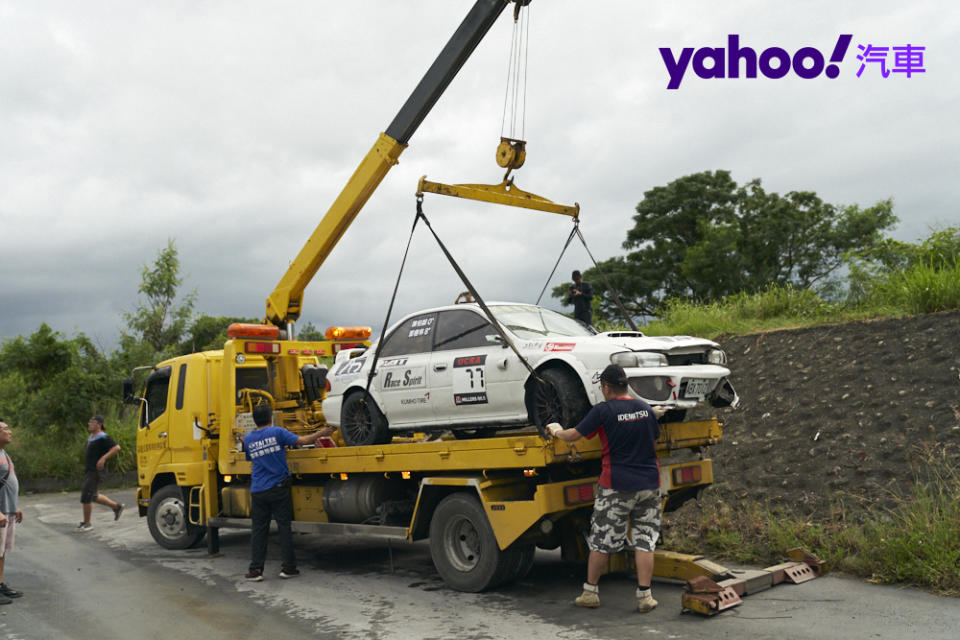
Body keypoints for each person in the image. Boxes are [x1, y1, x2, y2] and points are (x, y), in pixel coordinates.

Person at [546, 364, 667, 612]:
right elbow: (652, 436)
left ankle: (590, 592)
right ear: (626, 385)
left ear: (606, 387)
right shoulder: (645, 409)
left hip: (616, 486)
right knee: (645, 541)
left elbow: (573, 436)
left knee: (601, 540)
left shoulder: (603, 411)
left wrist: (556, 430)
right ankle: (645, 596)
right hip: (649, 484)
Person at [244, 403, 333, 582]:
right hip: (278, 488)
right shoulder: (277, 433)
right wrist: (324, 432)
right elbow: (303, 441)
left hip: (258, 490)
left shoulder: (248, 439)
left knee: (259, 531)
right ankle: (288, 568)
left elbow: (252, 457)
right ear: (271, 418)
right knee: (284, 528)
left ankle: (255, 570)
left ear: (255, 420)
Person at [74, 415, 123, 533]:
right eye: (89, 422)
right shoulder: (91, 437)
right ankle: (117, 507)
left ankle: (87, 523)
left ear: (99, 424)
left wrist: (103, 459)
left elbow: (116, 448)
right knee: (93, 496)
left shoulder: (103, 437)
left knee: (86, 495)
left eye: (92, 422)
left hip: (96, 471)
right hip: (89, 470)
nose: (89, 424)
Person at [0, 420, 23, 604]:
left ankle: (0, 584)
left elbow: (9, 481)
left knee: (1, 552)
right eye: (5, 429)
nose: (10, 431)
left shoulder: (3, 453)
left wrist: (15, 505)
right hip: (0, 511)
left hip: (8, 509)